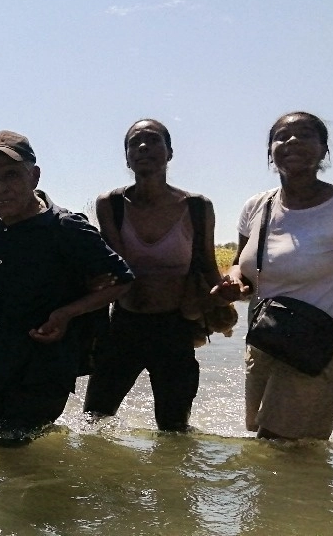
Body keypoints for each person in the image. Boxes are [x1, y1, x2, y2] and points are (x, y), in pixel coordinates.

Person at [0, 130, 134, 443]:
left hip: (46, 370)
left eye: (12, 174)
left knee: (9, 449)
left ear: (34, 176)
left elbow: (122, 279)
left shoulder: (65, 227)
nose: (0, 187)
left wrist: (66, 313)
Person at [216, 112, 333, 440]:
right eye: (282, 136)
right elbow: (240, 265)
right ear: (270, 151)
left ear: (323, 150)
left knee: (276, 444)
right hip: (266, 340)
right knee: (277, 449)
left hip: (320, 348)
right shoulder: (257, 206)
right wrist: (233, 282)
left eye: (305, 135)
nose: (292, 141)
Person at [82, 119, 227, 432]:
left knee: (174, 431)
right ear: (127, 158)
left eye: (153, 140)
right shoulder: (111, 204)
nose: (143, 147)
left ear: (169, 152)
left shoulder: (198, 208)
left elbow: (209, 268)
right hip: (123, 326)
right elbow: (119, 268)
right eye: (135, 143)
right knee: (94, 422)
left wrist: (226, 296)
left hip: (175, 329)